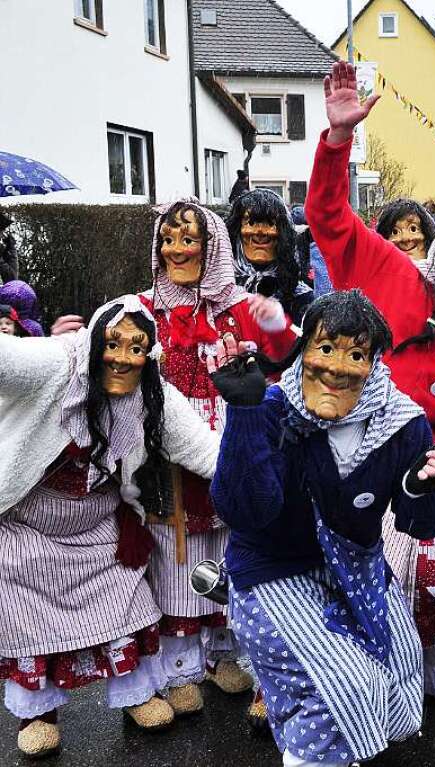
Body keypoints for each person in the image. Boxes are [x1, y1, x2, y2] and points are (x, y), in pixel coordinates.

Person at [306, 61, 435, 704]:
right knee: (357, 559)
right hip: (360, 440)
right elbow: (328, 215)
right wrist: (336, 142)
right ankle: (349, 671)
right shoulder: (395, 273)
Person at [209, 290, 435, 767]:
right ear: (304, 351)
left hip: (359, 570)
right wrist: (242, 415)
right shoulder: (270, 407)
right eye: (326, 349)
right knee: (339, 685)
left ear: (375, 363)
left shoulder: (402, 424)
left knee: (400, 667)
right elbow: (245, 513)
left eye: (356, 354)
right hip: (273, 571)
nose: (338, 368)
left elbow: (420, 524)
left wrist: (424, 491)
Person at [0, 296, 221, 757]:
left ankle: (139, 696)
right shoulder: (57, 364)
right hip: (30, 528)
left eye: (136, 348)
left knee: (128, 598)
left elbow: (203, 449)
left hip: (98, 523)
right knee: (25, 615)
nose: (122, 357)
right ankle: (37, 715)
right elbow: (6, 360)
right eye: (113, 344)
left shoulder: (152, 394)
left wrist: (267, 468)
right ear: (95, 341)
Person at [138, 199, 297, 726]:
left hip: (231, 439)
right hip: (172, 447)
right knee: (178, 549)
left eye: (190, 241)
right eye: (168, 240)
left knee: (230, 544)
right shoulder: (143, 309)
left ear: (214, 249)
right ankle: (182, 669)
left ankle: (223, 654)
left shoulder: (242, 306)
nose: (178, 250)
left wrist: (276, 325)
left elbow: (285, 352)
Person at [226, 189, 314, 322]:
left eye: (270, 223)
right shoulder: (219, 290)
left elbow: (305, 338)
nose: (260, 232)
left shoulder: (301, 297)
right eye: (251, 223)